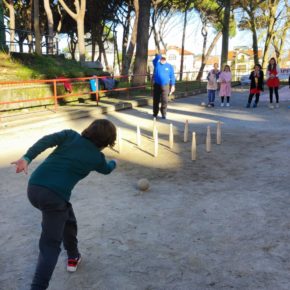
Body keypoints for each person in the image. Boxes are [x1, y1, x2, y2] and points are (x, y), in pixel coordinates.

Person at [11, 119, 117, 290]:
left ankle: (73, 256)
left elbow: (46, 140)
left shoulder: (70, 135)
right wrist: (114, 163)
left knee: (67, 218)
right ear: (107, 142)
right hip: (54, 198)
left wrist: (27, 157)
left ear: (89, 129)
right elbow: (106, 169)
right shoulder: (97, 158)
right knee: (50, 246)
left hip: (34, 188)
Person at [152, 54, 175, 119]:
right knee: (156, 100)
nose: (163, 60)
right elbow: (155, 59)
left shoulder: (169, 66)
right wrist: (160, 55)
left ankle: (163, 114)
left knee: (164, 100)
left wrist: (173, 85)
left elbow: (172, 76)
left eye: (164, 59)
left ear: (166, 59)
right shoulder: (157, 64)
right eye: (162, 58)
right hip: (157, 85)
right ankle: (155, 113)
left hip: (165, 85)